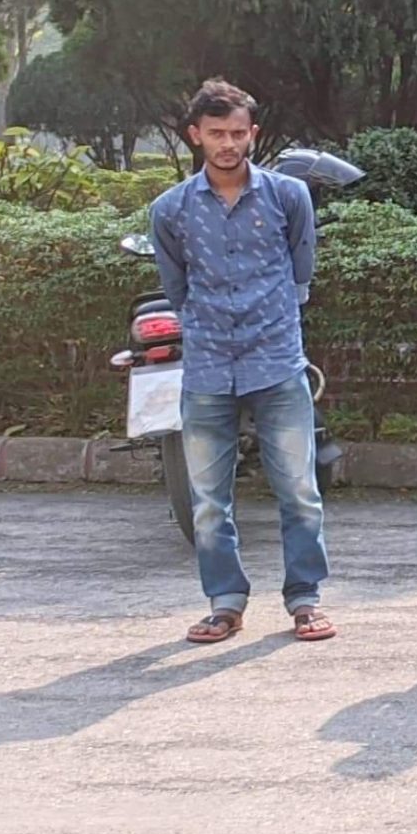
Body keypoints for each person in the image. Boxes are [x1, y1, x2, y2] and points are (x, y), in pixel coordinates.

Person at [148, 80, 332, 645]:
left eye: (237, 133)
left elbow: (301, 272)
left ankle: (305, 599)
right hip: (206, 366)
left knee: (299, 489)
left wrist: (269, 321)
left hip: (277, 362)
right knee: (207, 499)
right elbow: (176, 287)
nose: (228, 144)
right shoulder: (170, 209)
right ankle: (225, 603)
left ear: (253, 134)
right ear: (195, 136)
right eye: (216, 133)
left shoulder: (287, 197)